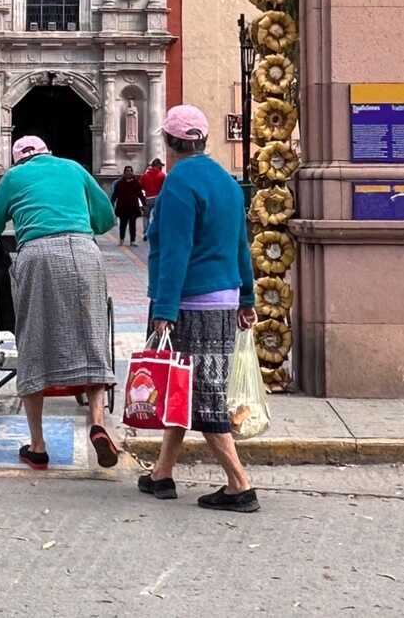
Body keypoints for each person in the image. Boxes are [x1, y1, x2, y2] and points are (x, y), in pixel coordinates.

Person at [0, 136, 120, 471]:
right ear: (47, 152)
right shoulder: (74, 168)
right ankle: (97, 423)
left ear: (19, 159)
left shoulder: (13, 177)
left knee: (33, 339)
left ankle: (38, 446)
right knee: (93, 336)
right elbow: (105, 218)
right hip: (85, 252)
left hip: (38, 256)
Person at [141, 105, 259, 513]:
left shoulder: (177, 185)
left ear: (169, 143)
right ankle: (162, 474)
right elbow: (241, 243)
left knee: (204, 397)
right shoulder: (226, 182)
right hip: (225, 300)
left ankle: (239, 484)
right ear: (203, 141)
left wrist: (164, 308)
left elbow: (175, 252)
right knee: (182, 388)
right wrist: (247, 297)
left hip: (190, 303)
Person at [111, 165, 146, 246]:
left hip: (133, 207)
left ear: (132, 172)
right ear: (124, 172)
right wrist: (111, 203)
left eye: (130, 171)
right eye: (127, 171)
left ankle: (132, 241)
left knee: (132, 225)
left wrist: (144, 205)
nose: (128, 172)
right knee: (122, 225)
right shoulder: (119, 183)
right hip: (122, 207)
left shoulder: (136, 183)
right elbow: (115, 195)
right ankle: (121, 239)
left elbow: (140, 195)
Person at [139, 158, 165, 241]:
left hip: (148, 198)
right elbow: (164, 188)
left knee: (146, 216)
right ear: (158, 166)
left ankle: (146, 232)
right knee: (157, 216)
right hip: (158, 198)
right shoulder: (162, 175)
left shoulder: (145, 176)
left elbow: (140, 186)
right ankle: (156, 233)